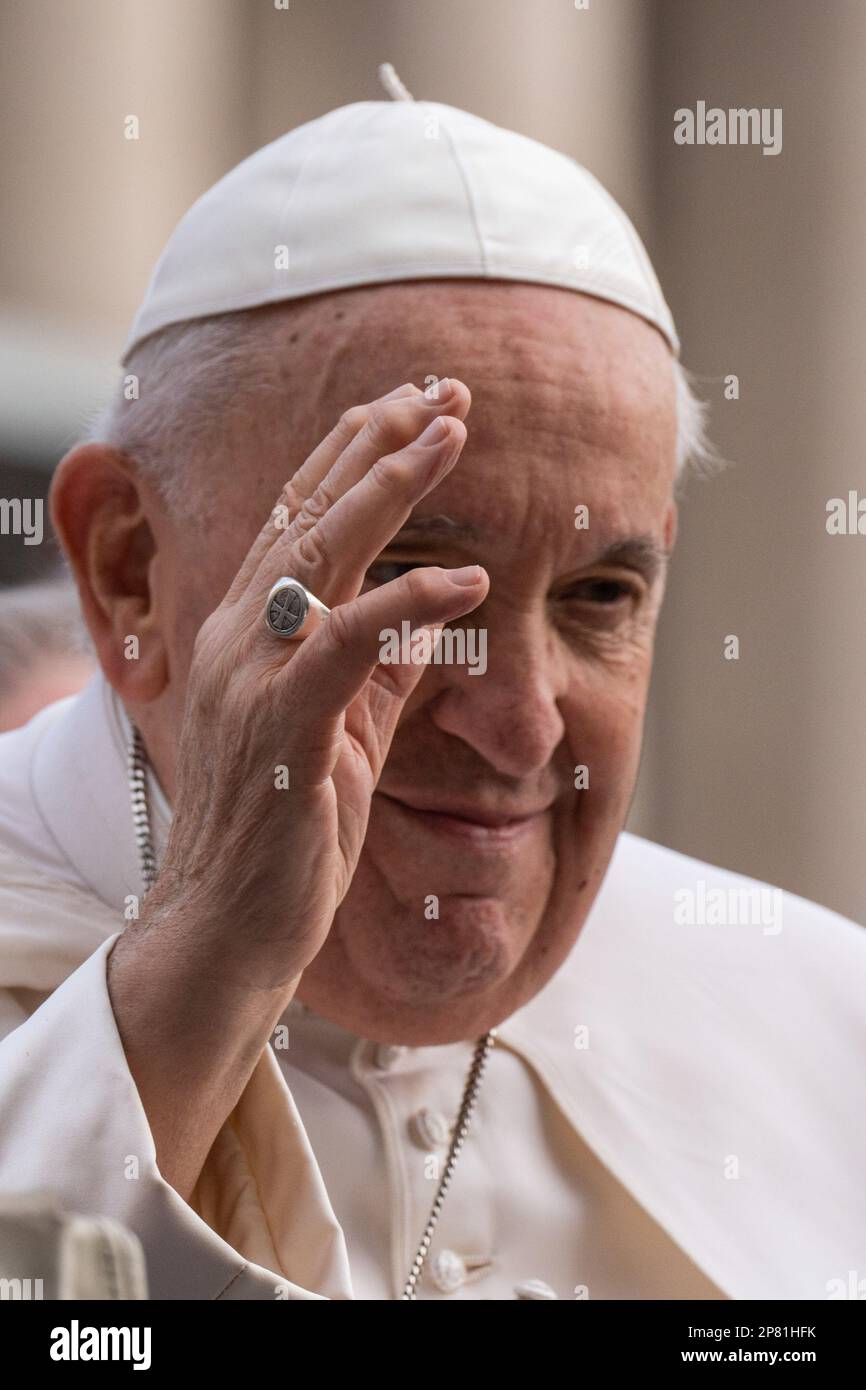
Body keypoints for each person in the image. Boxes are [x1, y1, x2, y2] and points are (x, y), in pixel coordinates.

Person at [0, 87, 862, 1302]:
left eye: (599, 595)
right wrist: (201, 968)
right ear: (129, 567)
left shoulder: (825, 1023)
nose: (520, 725)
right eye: (407, 585)